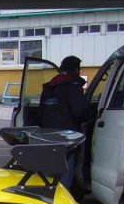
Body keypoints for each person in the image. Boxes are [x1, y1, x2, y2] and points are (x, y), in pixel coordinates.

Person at [37, 55, 91, 188]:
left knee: (51, 168)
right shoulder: (72, 87)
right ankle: (63, 194)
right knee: (66, 168)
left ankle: (49, 191)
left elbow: (41, 112)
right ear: (76, 69)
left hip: (48, 135)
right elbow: (79, 112)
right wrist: (91, 116)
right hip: (68, 135)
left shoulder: (49, 87)